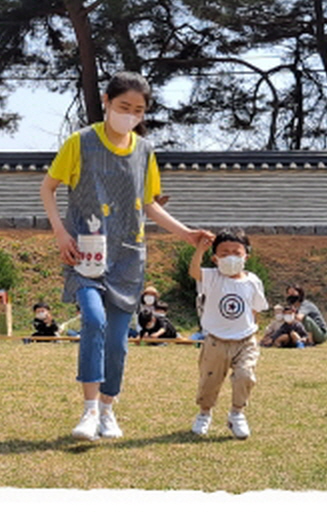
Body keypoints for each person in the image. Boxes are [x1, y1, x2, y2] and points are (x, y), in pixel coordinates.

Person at [40, 70, 212, 441]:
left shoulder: (145, 151)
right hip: (85, 252)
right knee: (94, 321)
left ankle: (107, 409)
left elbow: (148, 203)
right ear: (106, 101)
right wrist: (60, 232)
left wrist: (186, 234)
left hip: (128, 257)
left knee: (118, 342)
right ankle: (87, 412)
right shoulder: (80, 142)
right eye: (123, 106)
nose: (130, 114)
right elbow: (48, 188)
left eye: (138, 110)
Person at [189, 229, 268, 440]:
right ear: (215, 258)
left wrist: (251, 330)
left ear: (246, 256)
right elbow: (194, 272)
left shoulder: (253, 281)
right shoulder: (212, 277)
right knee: (210, 381)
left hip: (245, 340)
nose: (230, 257)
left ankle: (237, 413)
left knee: (245, 375)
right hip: (216, 340)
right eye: (224, 253)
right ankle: (204, 413)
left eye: (236, 252)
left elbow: (256, 309)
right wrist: (200, 250)